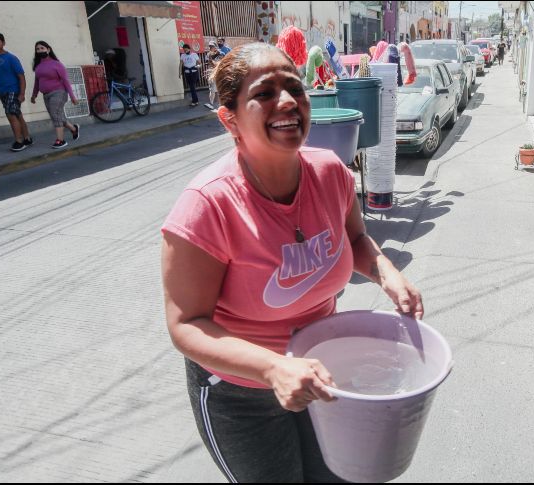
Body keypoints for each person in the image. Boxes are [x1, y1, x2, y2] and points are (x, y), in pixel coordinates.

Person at [160, 43, 423, 483]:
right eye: (264, 93)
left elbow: (355, 239)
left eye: (295, 88)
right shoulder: (206, 206)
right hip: (240, 395)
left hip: (322, 370)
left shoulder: (332, 172)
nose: (287, 102)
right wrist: (272, 367)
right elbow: (185, 325)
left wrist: (388, 275)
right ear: (230, 120)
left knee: (337, 475)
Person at [30, 41, 80, 149]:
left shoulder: (57, 64)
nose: (40, 50)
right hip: (46, 95)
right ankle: (73, 129)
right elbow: (37, 82)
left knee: (55, 116)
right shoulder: (38, 66)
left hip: (59, 93)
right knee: (57, 116)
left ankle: (60, 140)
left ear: (48, 50)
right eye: (37, 49)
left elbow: (65, 81)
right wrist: (34, 95)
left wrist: (72, 97)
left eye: (42, 48)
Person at [205, 40, 221, 109]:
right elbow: (208, 62)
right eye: (210, 46)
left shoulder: (220, 53)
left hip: (218, 73)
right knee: (212, 89)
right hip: (211, 73)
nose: (211, 47)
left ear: (215, 47)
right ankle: (211, 103)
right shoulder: (208, 54)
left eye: (212, 46)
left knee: (219, 89)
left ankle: (220, 104)